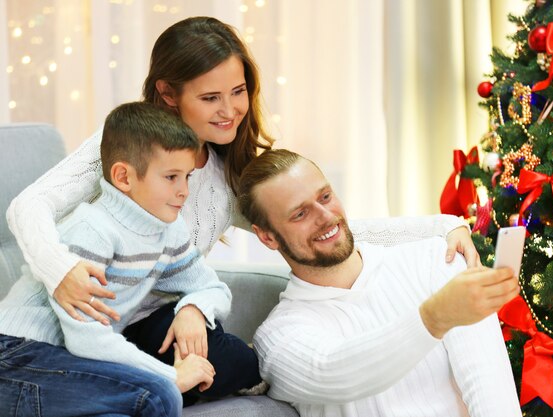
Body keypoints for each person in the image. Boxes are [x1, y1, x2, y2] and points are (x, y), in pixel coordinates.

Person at [5, 16, 478, 399]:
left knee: (235, 358)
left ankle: (134, 386)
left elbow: (318, 222)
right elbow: (28, 206)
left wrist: (441, 226)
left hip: (136, 328)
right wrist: (60, 269)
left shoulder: (230, 178)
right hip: (58, 329)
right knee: (216, 361)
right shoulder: (128, 145)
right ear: (169, 94)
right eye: (210, 97)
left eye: (238, 92)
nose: (230, 110)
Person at [237, 149, 524, 417]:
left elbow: (490, 388)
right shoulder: (278, 337)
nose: (325, 217)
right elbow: (339, 371)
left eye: (325, 197)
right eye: (300, 214)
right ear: (267, 237)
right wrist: (435, 317)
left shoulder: (436, 259)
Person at [0, 102, 231, 416]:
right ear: (124, 177)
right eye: (171, 177)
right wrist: (171, 375)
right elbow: (87, 340)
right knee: (160, 395)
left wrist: (192, 308)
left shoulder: (168, 229)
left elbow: (214, 288)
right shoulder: (92, 231)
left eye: (187, 177)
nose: (184, 192)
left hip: (63, 360)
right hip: (16, 354)